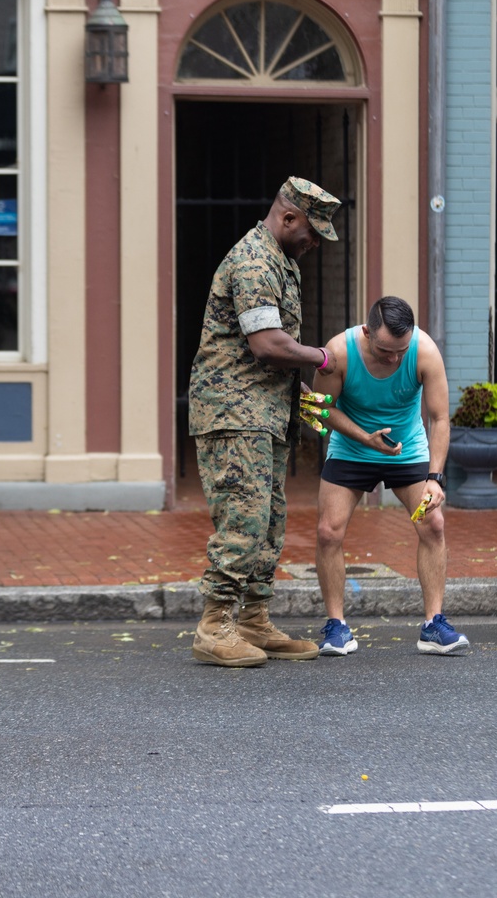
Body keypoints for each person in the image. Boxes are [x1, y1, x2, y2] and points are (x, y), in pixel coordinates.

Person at [188, 177, 341, 668]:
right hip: (234, 415)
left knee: (270, 521)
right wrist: (322, 358)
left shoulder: (282, 263)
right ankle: (214, 626)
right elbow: (267, 345)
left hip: (263, 413)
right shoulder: (255, 261)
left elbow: (261, 354)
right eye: (312, 232)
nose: (314, 242)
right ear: (288, 217)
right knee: (244, 520)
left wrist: (298, 395)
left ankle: (253, 619)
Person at [313, 296, 470, 656]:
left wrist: (435, 477)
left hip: (407, 451)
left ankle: (433, 624)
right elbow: (317, 410)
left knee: (432, 524)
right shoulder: (340, 352)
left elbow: (440, 418)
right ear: (367, 333)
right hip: (353, 447)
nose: (394, 359)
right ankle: (337, 628)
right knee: (328, 531)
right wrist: (365, 438)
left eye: (401, 351)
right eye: (386, 351)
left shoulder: (424, 351)